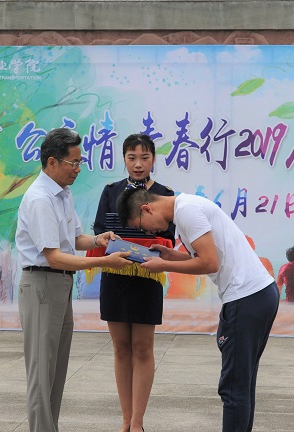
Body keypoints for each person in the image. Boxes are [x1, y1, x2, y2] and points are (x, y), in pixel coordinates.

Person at [117, 188, 279, 432]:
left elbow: (209, 263)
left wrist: (164, 266)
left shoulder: (187, 212)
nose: (149, 232)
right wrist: (171, 256)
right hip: (258, 294)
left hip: (245, 297)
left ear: (146, 209)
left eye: (142, 226)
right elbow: (207, 257)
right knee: (242, 384)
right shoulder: (187, 209)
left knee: (233, 387)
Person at [15, 127, 132, 432]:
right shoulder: (40, 199)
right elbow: (53, 256)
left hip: (59, 286)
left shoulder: (62, 194)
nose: (78, 169)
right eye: (73, 163)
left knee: (55, 371)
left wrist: (98, 240)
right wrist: (104, 261)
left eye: (80, 162)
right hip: (42, 285)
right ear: (52, 162)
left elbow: (75, 239)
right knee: (41, 374)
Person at [93, 134, 175, 432]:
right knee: (120, 348)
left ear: (153, 159)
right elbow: (99, 231)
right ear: (124, 159)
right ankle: (125, 419)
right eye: (131, 157)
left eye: (144, 157)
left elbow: (170, 237)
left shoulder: (165, 194)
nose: (138, 164)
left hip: (148, 276)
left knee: (142, 347)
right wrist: (108, 239)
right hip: (114, 275)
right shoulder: (110, 191)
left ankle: (138, 422)